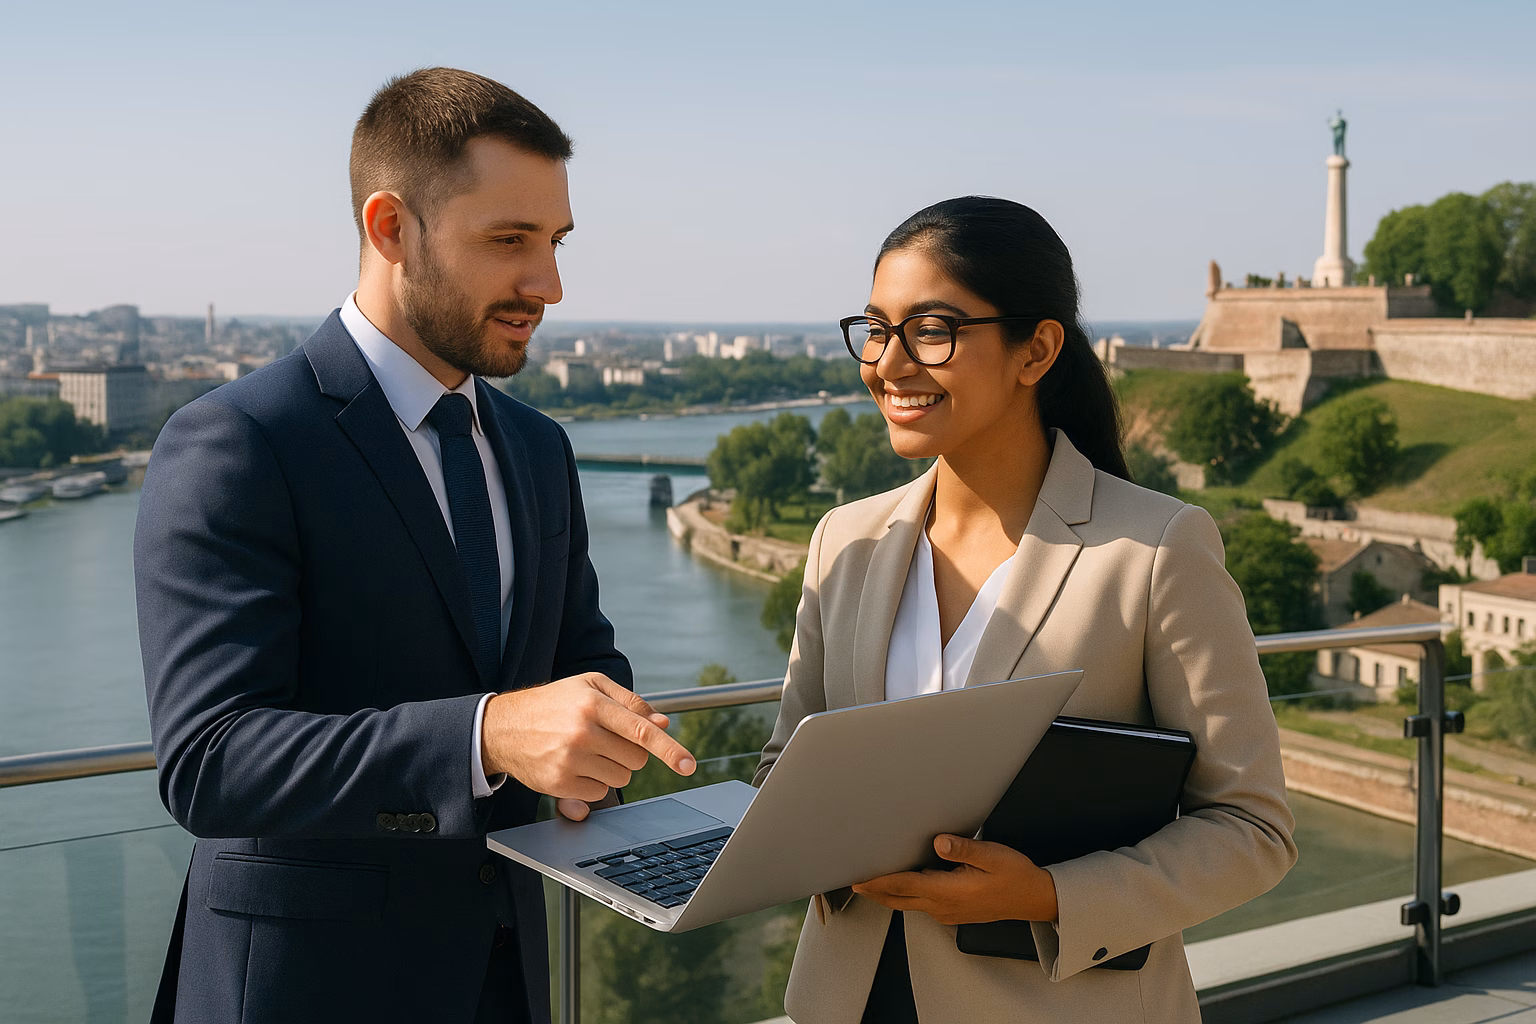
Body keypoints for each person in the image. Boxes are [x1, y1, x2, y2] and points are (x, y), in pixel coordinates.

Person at [135, 68, 695, 1024]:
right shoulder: (238, 441)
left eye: (554, 243)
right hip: (299, 992)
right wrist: (485, 735)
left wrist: (602, 737)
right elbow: (209, 761)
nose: (548, 286)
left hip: (502, 976)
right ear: (391, 227)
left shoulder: (537, 446)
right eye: (509, 241)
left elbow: (577, 658)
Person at [753, 197, 1296, 1023]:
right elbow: (784, 765)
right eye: (875, 328)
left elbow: (1252, 829)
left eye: (931, 329)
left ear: (1036, 349)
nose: (889, 363)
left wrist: (1048, 895)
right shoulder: (844, 541)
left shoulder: (1158, 551)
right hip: (850, 997)